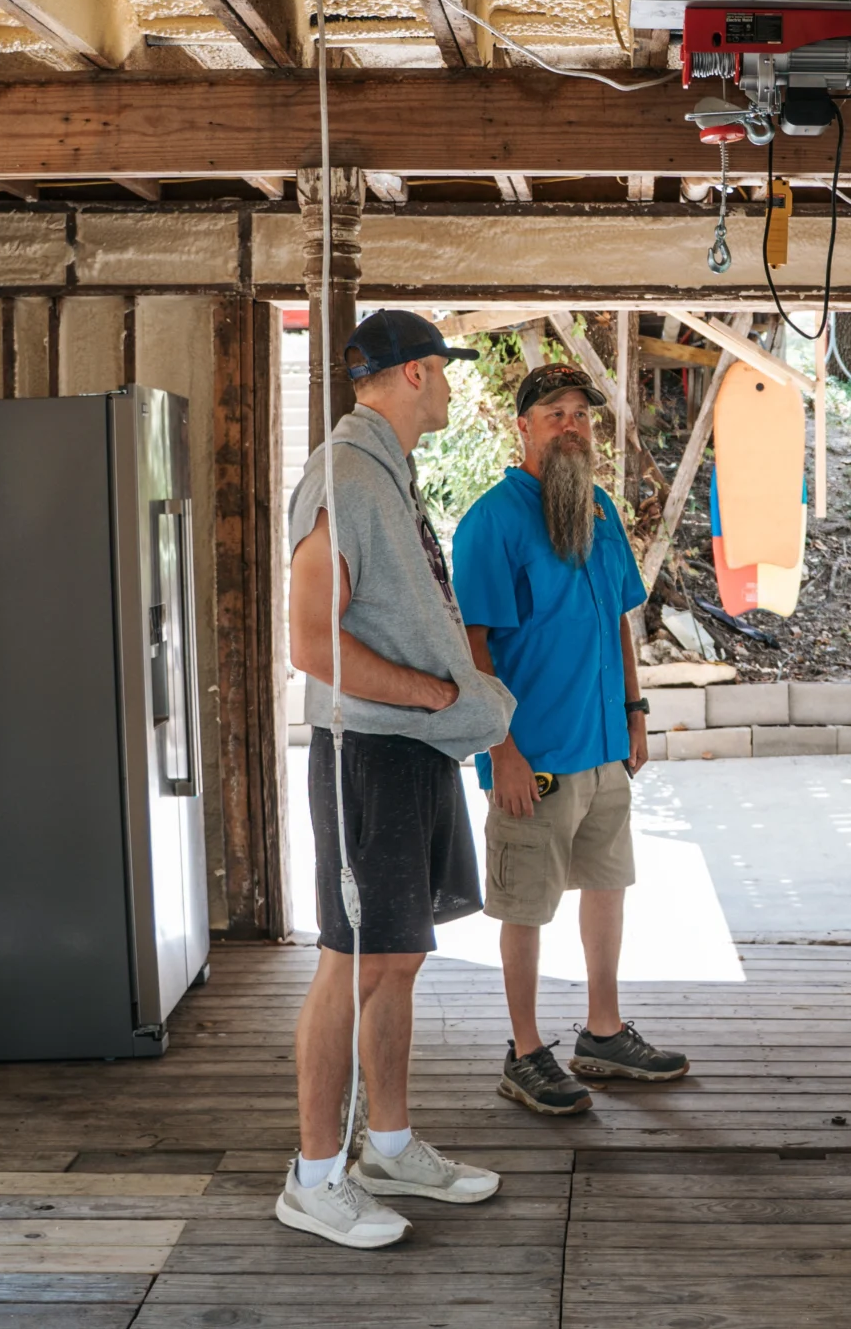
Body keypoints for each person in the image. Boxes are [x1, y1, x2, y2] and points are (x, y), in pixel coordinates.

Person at [279, 310, 519, 1251]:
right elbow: (310, 641)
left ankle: (386, 1143)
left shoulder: (385, 474)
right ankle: (313, 1177)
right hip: (369, 749)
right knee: (353, 957)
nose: (455, 387)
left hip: (413, 746)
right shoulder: (343, 473)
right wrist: (429, 693)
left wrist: (452, 713)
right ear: (415, 374)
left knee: (400, 956)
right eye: (447, 372)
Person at [452, 362, 689, 1116]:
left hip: (602, 744)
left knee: (608, 884)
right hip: (533, 757)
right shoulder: (491, 521)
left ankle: (604, 1030)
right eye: (553, 412)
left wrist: (636, 712)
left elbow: (621, 617)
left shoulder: (601, 512)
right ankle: (524, 1051)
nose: (570, 424)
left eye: (580, 414)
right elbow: (473, 644)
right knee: (524, 905)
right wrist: (501, 750)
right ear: (522, 427)